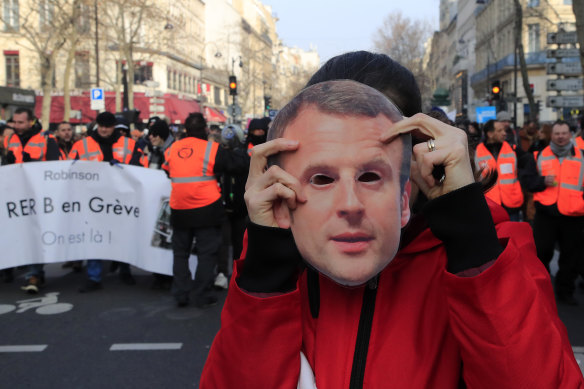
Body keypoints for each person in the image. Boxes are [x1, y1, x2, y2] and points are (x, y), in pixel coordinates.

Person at [200, 80, 582, 388]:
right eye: (320, 179)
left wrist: (473, 245)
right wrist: (266, 271)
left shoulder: (493, 248)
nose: (350, 203)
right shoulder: (273, 263)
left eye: (371, 175)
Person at [162, 113, 248, 307]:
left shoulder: (172, 149)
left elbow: (167, 170)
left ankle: (181, 293)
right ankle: (201, 293)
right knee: (207, 254)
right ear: (205, 129)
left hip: (180, 208)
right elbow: (238, 165)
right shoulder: (211, 149)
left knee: (180, 253)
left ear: (185, 129)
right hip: (207, 209)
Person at [69, 111, 146, 292]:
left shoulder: (129, 144)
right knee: (94, 237)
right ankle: (93, 277)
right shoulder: (81, 145)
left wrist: (125, 168)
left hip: (121, 199)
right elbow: (68, 168)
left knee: (123, 236)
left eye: (108, 126)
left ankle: (124, 270)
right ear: (97, 125)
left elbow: (141, 165)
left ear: (114, 127)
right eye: (101, 126)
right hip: (91, 200)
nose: (104, 130)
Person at [521, 120, 584, 306]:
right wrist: (541, 182)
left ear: (570, 135)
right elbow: (527, 181)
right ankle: (541, 288)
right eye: (557, 134)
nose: (561, 137)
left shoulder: (581, 156)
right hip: (546, 215)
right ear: (552, 135)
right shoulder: (539, 155)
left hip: (574, 215)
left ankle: (565, 292)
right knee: (541, 254)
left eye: (564, 133)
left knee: (570, 257)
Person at [4, 108, 60, 293]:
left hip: (39, 195)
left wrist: (31, 166)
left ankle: (34, 274)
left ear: (31, 121)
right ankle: (22, 270)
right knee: (19, 233)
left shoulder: (46, 138)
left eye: (20, 122)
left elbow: (54, 167)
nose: (16, 126)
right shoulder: (11, 139)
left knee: (34, 234)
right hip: (16, 194)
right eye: (15, 122)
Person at [475, 119, 525, 221]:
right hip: (489, 206)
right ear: (490, 134)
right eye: (500, 131)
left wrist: (522, 178)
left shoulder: (512, 149)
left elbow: (529, 165)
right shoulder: (477, 152)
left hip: (511, 205)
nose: (504, 133)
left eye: (504, 130)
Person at [147, 118, 175, 290]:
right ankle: (160, 273)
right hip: (157, 200)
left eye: (155, 135)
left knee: (167, 239)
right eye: (150, 134)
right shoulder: (155, 150)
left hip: (169, 201)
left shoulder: (170, 151)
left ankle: (166, 274)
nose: (151, 137)